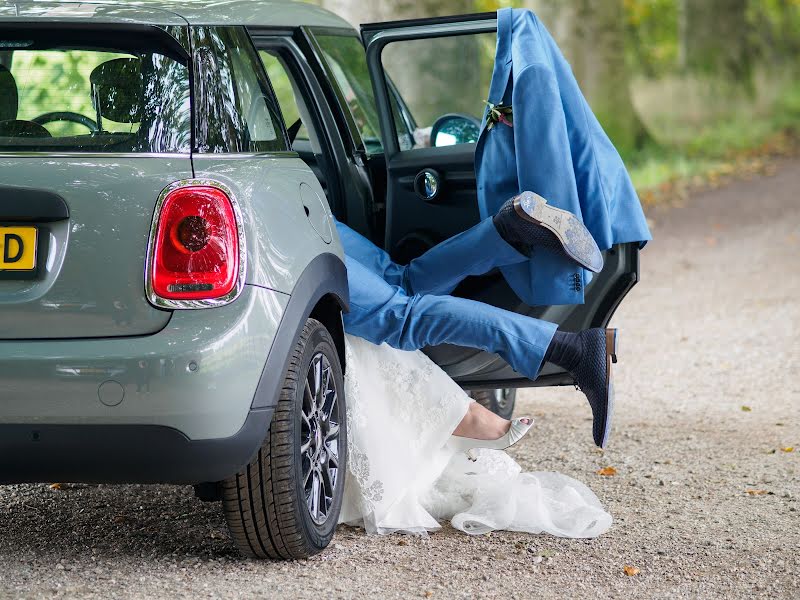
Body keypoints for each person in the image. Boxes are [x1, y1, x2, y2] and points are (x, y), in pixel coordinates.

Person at [339, 191, 617, 450]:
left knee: (398, 316)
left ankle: (569, 350)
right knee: (403, 282)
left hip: (295, 239)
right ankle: (509, 229)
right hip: (306, 199)